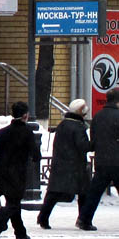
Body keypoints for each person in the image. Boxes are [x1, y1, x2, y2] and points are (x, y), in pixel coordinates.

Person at [0, 100, 39, 239]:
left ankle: (20, 233)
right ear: (25, 116)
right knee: (13, 205)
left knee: (13, 203)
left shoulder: (3, 132)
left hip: (3, 172)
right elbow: (35, 155)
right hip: (18, 173)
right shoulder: (27, 132)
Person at [37, 98, 90, 229]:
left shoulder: (63, 124)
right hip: (75, 165)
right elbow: (83, 146)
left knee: (53, 193)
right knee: (83, 193)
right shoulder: (78, 127)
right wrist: (92, 145)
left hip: (61, 163)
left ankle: (43, 217)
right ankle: (83, 220)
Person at [77, 87, 119, 231]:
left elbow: (93, 141)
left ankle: (84, 219)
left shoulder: (98, 116)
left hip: (102, 161)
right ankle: (84, 219)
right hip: (117, 161)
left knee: (94, 193)